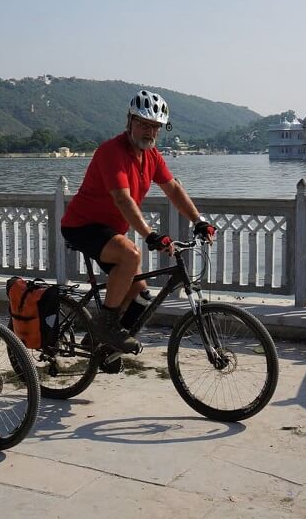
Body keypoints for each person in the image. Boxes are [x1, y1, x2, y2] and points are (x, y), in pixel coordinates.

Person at [60, 89, 217, 355]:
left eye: (155, 126)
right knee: (130, 254)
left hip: (110, 232)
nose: (149, 131)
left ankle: (102, 347)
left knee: (142, 297)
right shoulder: (111, 151)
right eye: (143, 123)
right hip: (81, 225)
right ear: (129, 120)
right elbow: (123, 199)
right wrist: (149, 235)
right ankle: (107, 324)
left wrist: (198, 220)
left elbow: (173, 189)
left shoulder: (152, 156)